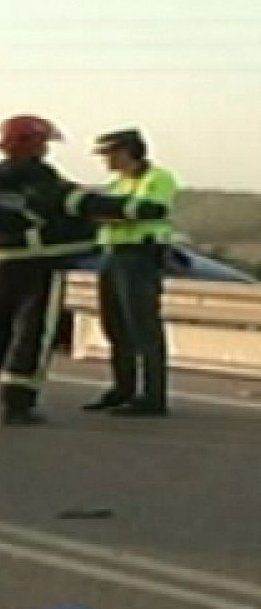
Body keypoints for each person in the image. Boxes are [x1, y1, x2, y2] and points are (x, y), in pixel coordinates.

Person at [0, 115, 160, 426]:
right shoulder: (41, 179)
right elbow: (83, 203)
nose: (46, 150)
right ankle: (18, 404)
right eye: (43, 144)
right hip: (37, 265)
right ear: (32, 145)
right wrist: (142, 210)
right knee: (33, 334)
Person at [82, 128, 177, 417]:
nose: (106, 161)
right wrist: (114, 211)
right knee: (115, 326)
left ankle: (153, 396)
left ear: (126, 152)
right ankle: (122, 389)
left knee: (143, 327)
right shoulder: (118, 184)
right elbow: (101, 214)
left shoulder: (158, 178)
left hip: (140, 257)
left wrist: (111, 211)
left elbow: (151, 210)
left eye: (109, 154)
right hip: (112, 255)